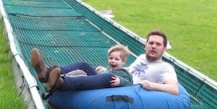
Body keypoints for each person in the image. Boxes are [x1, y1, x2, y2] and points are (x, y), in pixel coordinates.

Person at [33, 31, 179, 96]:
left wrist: (152, 85)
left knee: (109, 77)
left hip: (127, 87)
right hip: (116, 75)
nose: (153, 46)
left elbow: (174, 89)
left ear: (164, 48)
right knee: (84, 65)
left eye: (158, 44)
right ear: (145, 45)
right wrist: (106, 69)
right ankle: (47, 73)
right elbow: (130, 69)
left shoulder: (166, 67)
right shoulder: (141, 57)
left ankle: (60, 83)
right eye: (151, 43)